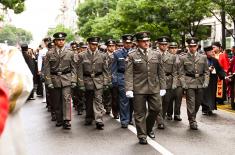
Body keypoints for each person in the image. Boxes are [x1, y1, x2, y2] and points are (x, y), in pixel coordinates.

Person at [125, 32, 166, 144]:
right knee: (139, 113)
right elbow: (128, 73)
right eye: (143, 41)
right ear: (138, 42)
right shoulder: (132, 55)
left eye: (148, 40)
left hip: (154, 87)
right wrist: (129, 88)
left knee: (156, 109)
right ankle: (142, 135)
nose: (146, 43)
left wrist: (163, 86)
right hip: (138, 88)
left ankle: (148, 128)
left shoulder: (156, 54)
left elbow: (161, 72)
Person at [44, 32, 77, 129]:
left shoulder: (70, 53)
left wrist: (74, 80)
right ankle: (59, 119)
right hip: (54, 80)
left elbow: (74, 68)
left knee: (66, 99)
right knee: (57, 101)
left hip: (66, 79)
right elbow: (47, 69)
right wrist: (48, 81)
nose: (61, 41)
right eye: (59, 40)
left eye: (62, 40)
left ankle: (67, 120)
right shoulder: (49, 53)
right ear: (55, 42)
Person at [77, 36, 110, 130]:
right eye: (92, 44)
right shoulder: (82, 55)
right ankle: (89, 117)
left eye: (96, 44)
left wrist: (106, 82)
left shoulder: (102, 55)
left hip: (98, 80)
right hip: (87, 80)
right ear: (88, 44)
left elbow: (106, 70)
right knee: (88, 100)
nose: (94, 46)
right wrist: (81, 83)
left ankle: (99, 120)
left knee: (98, 100)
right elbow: (79, 71)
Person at [180, 37, 209, 130]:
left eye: (194, 46)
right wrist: (183, 83)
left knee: (198, 103)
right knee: (191, 103)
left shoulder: (203, 57)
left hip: (200, 82)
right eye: (190, 46)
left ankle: (193, 116)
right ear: (188, 46)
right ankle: (192, 120)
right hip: (189, 82)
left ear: (197, 46)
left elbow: (206, 72)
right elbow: (181, 72)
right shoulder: (183, 57)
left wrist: (206, 81)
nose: (192, 48)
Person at [112, 34, 134, 128]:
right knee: (124, 100)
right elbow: (114, 69)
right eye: (126, 43)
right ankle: (124, 120)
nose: (128, 44)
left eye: (130, 43)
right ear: (123, 43)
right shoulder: (117, 53)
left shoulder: (135, 53)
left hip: (134, 79)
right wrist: (115, 80)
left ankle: (130, 118)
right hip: (122, 78)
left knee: (132, 101)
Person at [155, 36, 177, 129]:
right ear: (158, 45)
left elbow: (175, 72)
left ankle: (162, 118)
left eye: (165, 44)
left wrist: (174, 83)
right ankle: (159, 121)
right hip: (156, 81)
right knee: (158, 102)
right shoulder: (153, 54)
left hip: (168, 81)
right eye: (162, 44)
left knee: (166, 102)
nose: (163, 46)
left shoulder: (172, 57)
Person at [202, 46, 226, 115]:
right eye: (210, 52)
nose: (212, 53)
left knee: (212, 94)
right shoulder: (202, 60)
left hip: (213, 79)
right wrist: (207, 70)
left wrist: (224, 76)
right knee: (205, 95)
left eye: (212, 51)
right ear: (206, 53)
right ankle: (205, 109)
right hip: (205, 79)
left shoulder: (215, 60)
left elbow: (219, 69)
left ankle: (211, 108)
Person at [167, 42, 183, 121]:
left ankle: (177, 114)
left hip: (179, 81)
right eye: (172, 48)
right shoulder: (166, 57)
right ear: (168, 49)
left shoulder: (180, 58)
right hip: (169, 80)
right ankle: (169, 114)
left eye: (175, 48)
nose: (173, 50)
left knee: (178, 98)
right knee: (169, 98)